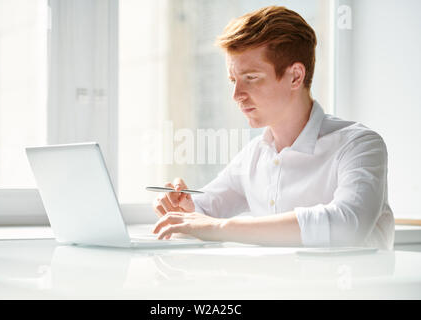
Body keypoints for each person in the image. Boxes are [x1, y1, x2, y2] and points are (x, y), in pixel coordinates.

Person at [152, 6, 394, 249]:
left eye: (251, 78)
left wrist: (219, 228)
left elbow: (347, 226)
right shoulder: (255, 154)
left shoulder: (358, 145)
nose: (236, 94)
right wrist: (183, 206)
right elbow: (205, 209)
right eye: (233, 80)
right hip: (273, 287)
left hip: (351, 287)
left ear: (295, 77)